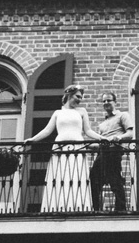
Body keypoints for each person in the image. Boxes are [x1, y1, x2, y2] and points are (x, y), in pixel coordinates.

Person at [24, 84, 106, 212]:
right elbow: (47, 131)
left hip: (77, 148)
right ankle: (57, 206)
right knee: (61, 176)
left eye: (81, 97)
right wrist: (32, 140)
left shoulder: (82, 111)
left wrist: (102, 138)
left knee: (76, 176)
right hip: (60, 149)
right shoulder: (58, 113)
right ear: (69, 95)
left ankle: (78, 207)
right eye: (78, 96)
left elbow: (88, 131)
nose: (80, 99)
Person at [90, 92, 134, 211]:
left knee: (114, 178)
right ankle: (96, 208)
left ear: (115, 102)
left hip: (114, 150)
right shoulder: (102, 124)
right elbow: (100, 142)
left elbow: (130, 134)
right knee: (94, 177)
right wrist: (89, 146)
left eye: (108, 100)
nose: (106, 103)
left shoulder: (122, 115)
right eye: (104, 101)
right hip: (103, 151)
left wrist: (119, 138)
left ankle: (120, 208)